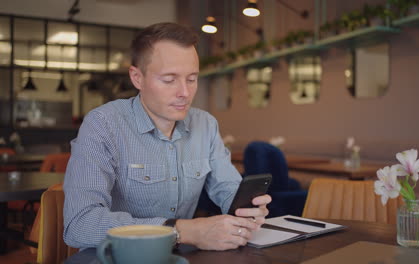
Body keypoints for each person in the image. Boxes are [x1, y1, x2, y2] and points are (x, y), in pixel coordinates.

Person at [63, 22, 271, 251]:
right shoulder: (103, 125)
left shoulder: (206, 125)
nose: (184, 92)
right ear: (137, 78)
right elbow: (79, 225)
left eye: (192, 79)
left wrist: (246, 209)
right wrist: (183, 230)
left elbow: (228, 188)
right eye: (169, 80)